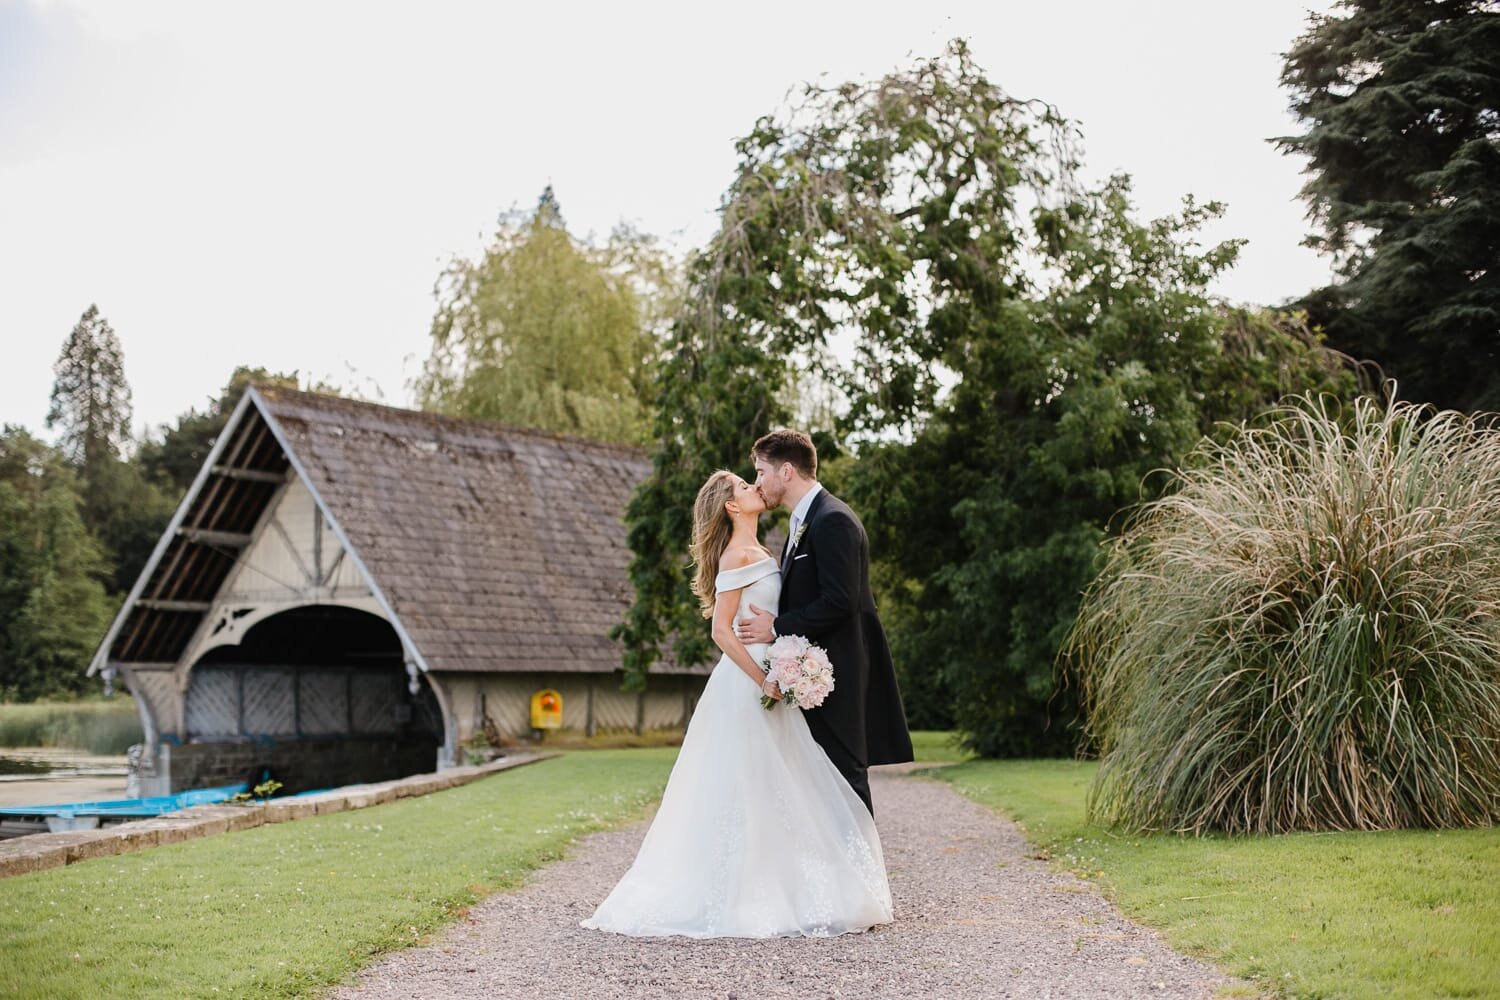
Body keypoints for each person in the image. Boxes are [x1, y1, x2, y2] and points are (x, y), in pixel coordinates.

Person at [581, 470, 893, 938]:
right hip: (749, 683)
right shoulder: (735, 556)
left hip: (772, 677)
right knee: (751, 786)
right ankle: (742, 895)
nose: (755, 488)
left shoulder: (766, 549)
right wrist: (764, 677)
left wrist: (786, 664)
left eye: (755, 479)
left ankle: (790, 886)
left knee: (784, 784)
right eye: (746, 487)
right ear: (731, 506)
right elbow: (721, 631)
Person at [736, 429, 914, 816]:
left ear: (786, 472)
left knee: (844, 778)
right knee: (823, 782)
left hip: (840, 674)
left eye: (761, 471)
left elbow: (841, 600)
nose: (757, 482)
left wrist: (777, 627)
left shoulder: (833, 520)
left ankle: (863, 873)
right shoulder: (805, 521)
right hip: (816, 676)